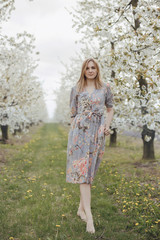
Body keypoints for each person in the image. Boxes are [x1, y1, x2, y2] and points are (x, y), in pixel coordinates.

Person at [66, 58, 114, 234]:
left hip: (97, 133)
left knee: (90, 173)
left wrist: (107, 126)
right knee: (83, 174)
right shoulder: (76, 89)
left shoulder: (105, 88)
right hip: (80, 134)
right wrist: (73, 136)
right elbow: (72, 114)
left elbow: (110, 108)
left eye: (93, 67)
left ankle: (81, 209)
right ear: (83, 70)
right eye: (88, 68)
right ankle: (89, 218)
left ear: (97, 69)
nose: (91, 70)